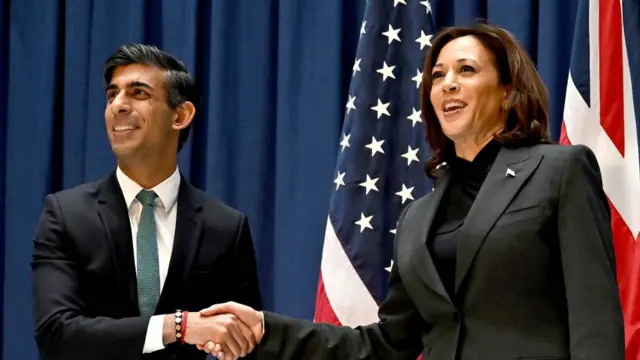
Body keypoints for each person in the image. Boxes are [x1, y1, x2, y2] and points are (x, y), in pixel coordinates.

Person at [196, 22, 625, 360]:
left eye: (466, 70)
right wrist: (266, 330)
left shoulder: (559, 170)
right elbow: (385, 345)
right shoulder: (418, 217)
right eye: (437, 76)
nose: (447, 84)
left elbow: (595, 321)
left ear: (508, 93)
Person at [31, 44, 262, 360]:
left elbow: (247, 343)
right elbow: (55, 334)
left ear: (180, 115)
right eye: (112, 95)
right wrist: (177, 327)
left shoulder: (226, 227)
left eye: (138, 93)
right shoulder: (65, 215)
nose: (118, 105)